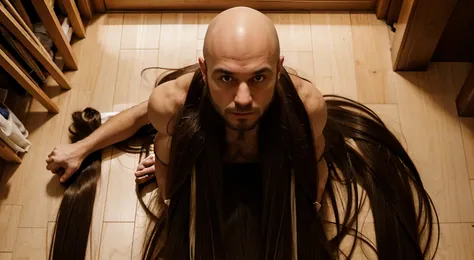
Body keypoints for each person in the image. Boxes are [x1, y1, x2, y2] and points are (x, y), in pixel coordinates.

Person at [45, 6, 329, 207]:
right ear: (204, 71)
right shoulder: (173, 102)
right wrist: (81, 149)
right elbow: (140, 114)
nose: (243, 98)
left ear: (279, 70)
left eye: (258, 77)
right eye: (226, 77)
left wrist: (311, 206)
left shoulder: (308, 107)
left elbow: (315, 160)